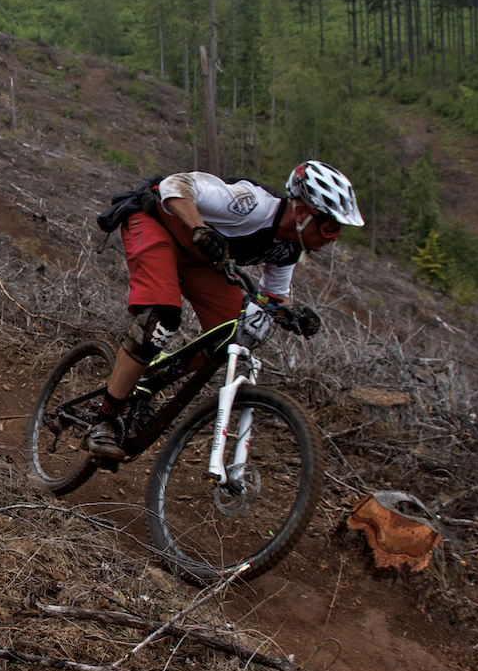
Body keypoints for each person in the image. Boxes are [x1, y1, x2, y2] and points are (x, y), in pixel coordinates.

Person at [85, 160, 365, 460]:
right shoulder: (252, 203)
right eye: (329, 227)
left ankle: (148, 383)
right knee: (160, 318)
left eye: (338, 231)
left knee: (233, 332)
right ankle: (103, 417)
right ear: (301, 213)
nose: (332, 238)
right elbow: (173, 186)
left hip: (200, 259)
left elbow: (273, 297)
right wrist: (200, 228)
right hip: (155, 222)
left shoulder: (288, 249)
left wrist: (292, 315)